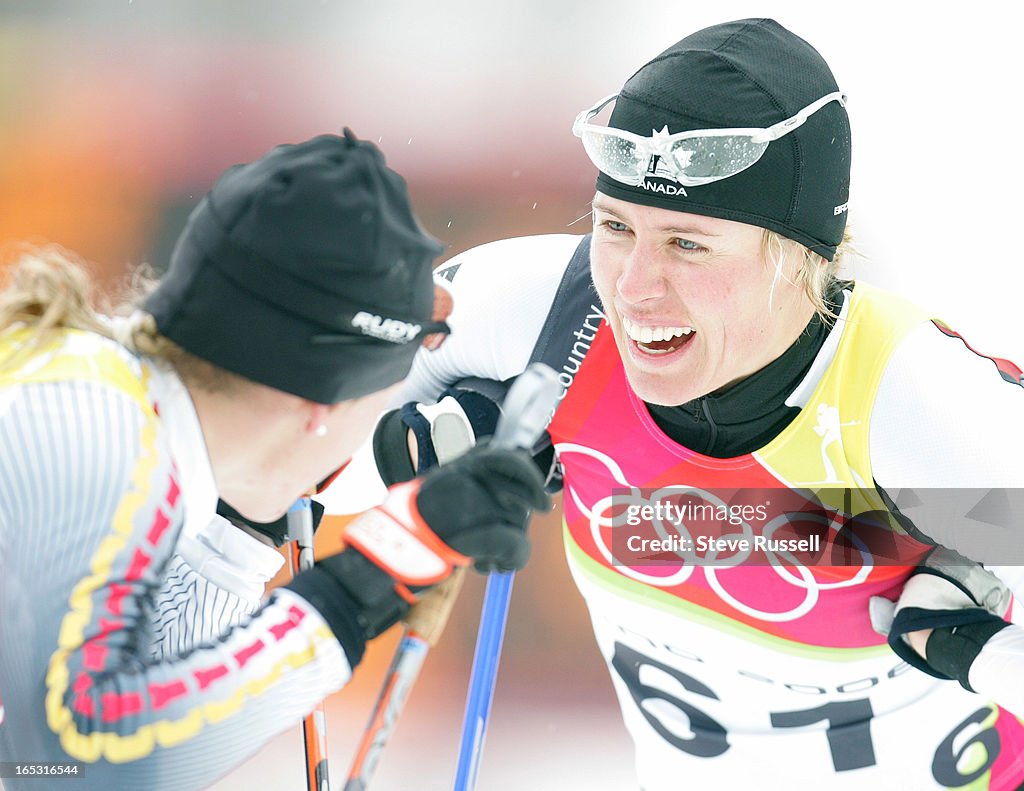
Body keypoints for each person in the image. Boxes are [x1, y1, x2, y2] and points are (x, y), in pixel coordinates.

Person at [323, 19, 1024, 789]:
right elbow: (296, 463)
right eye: (615, 227)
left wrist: (981, 654)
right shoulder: (543, 321)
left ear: (799, 258)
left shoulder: (906, 410)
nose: (631, 287)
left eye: (687, 244)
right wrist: (415, 453)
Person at [0, 131, 549, 790]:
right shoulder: (91, 432)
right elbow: (74, 764)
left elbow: (143, 691)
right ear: (322, 398)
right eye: (388, 394)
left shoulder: (123, 418)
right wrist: (363, 583)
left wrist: (250, 524)